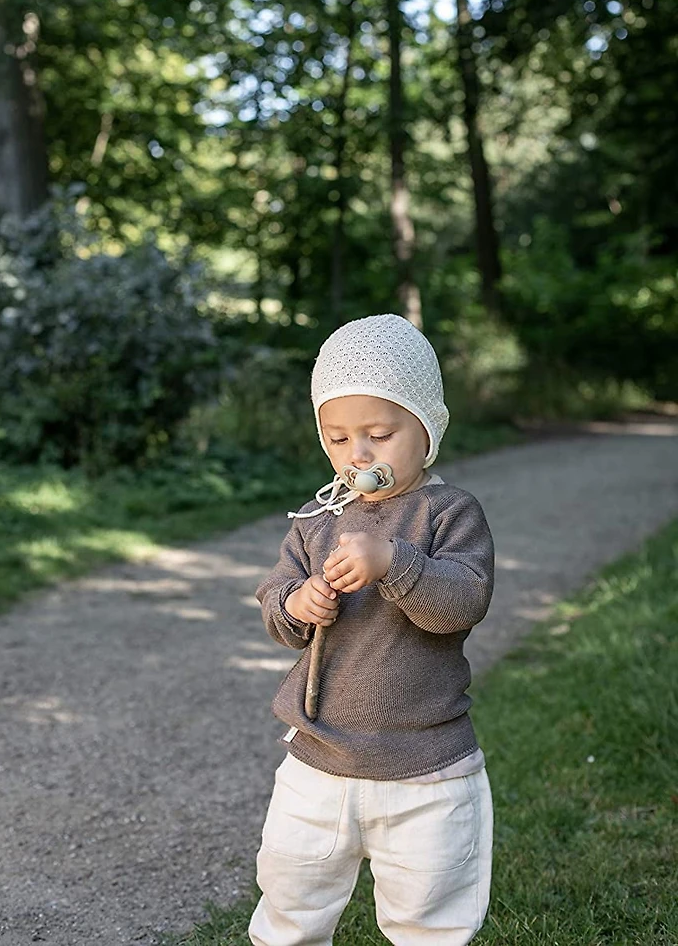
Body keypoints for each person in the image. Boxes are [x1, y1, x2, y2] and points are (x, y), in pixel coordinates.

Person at [249, 313, 495, 946]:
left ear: (426, 429)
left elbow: (462, 602)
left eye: (380, 434)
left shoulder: (449, 513)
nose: (357, 454)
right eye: (336, 438)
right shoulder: (315, 518)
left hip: (426, 765)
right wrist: (297, 605)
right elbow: (276, 601)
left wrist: (395, 562)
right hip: (318, 757)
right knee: (291, 890)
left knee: (430, 904)